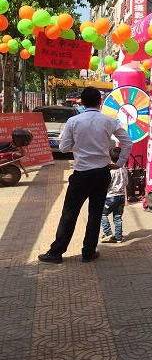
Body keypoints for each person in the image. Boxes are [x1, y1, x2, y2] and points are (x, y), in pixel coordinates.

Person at [38, 87, 132, 264]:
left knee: (69, 213)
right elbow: (127, 142)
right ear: (100, 102)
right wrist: (119, 163)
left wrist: (79, 147)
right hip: (102, 173)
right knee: (95, 214)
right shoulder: (109, 121)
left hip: (81, 174)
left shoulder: (73, 121)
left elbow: (63, 148)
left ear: (81, 102)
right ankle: (88, 252)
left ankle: (56, 252)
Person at [100, 147, 128, 243]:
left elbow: (106, 184)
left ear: (110, 157)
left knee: (102, 214)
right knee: (118, 217)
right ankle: (118, 237)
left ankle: (108, 233)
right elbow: (126, 183)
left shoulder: (110, 171)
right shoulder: (124, 169)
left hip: (111, 196)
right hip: (121, 196)